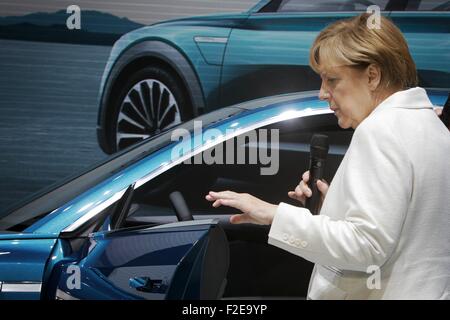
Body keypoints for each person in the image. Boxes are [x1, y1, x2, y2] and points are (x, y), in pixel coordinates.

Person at [205, 13, 450, 299]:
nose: (323, 93)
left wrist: (273, 214)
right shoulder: (434, 129)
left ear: (372, 75)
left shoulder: (380, 131)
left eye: (332, 80)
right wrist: (333, 209)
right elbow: (406, 233)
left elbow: (366, 247)